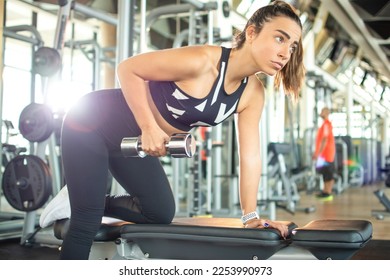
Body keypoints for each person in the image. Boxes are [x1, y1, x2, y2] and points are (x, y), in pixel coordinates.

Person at [42, 0, 305, 259]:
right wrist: (148, 127)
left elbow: (250, 157)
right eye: (280, 39)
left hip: (130, 144)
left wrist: (251, 217)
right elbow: (128, 69)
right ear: (251, 33)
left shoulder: (253, 93)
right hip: (91, 122)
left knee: (159, 213)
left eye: (292, 46)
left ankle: (78, 197)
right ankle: (83, 203)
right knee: (86, 219)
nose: (286, 53)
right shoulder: (203, 61)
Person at [312, 107, 336, 201]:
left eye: (322, 111)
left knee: (328, 173)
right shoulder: (325, 124)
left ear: (326, 113)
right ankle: (325, 192)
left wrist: (318, 154)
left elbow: (325, 140)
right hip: (324, 154)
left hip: (326, 154)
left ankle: (328, 193)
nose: (320, 112)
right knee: (324, 173)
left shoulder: (326, 124)